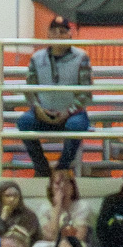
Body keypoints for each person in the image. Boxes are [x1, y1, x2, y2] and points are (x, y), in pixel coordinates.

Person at [18, 16, 92, 176]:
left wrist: (68, 112)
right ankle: (42, 168)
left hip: (72, 115)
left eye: (63, 31)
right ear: (48, 34)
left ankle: (62, 168)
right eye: (54, 31)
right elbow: (29, 90)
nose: (58, 35)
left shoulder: (82, 57)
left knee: (76, 126)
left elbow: (86, 94)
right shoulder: (36, 58)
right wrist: (38, 109)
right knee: (24, 122)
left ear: (70, 35)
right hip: (43, 114)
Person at [35, 168, 95, 247]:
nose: (62, 186)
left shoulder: (82, 206)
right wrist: (57, 208)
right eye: (57, 183)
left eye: (66, 182)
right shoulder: (44, 208)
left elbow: (79, 237)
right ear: (51, 187)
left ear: (72, 187)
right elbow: (50, 236)